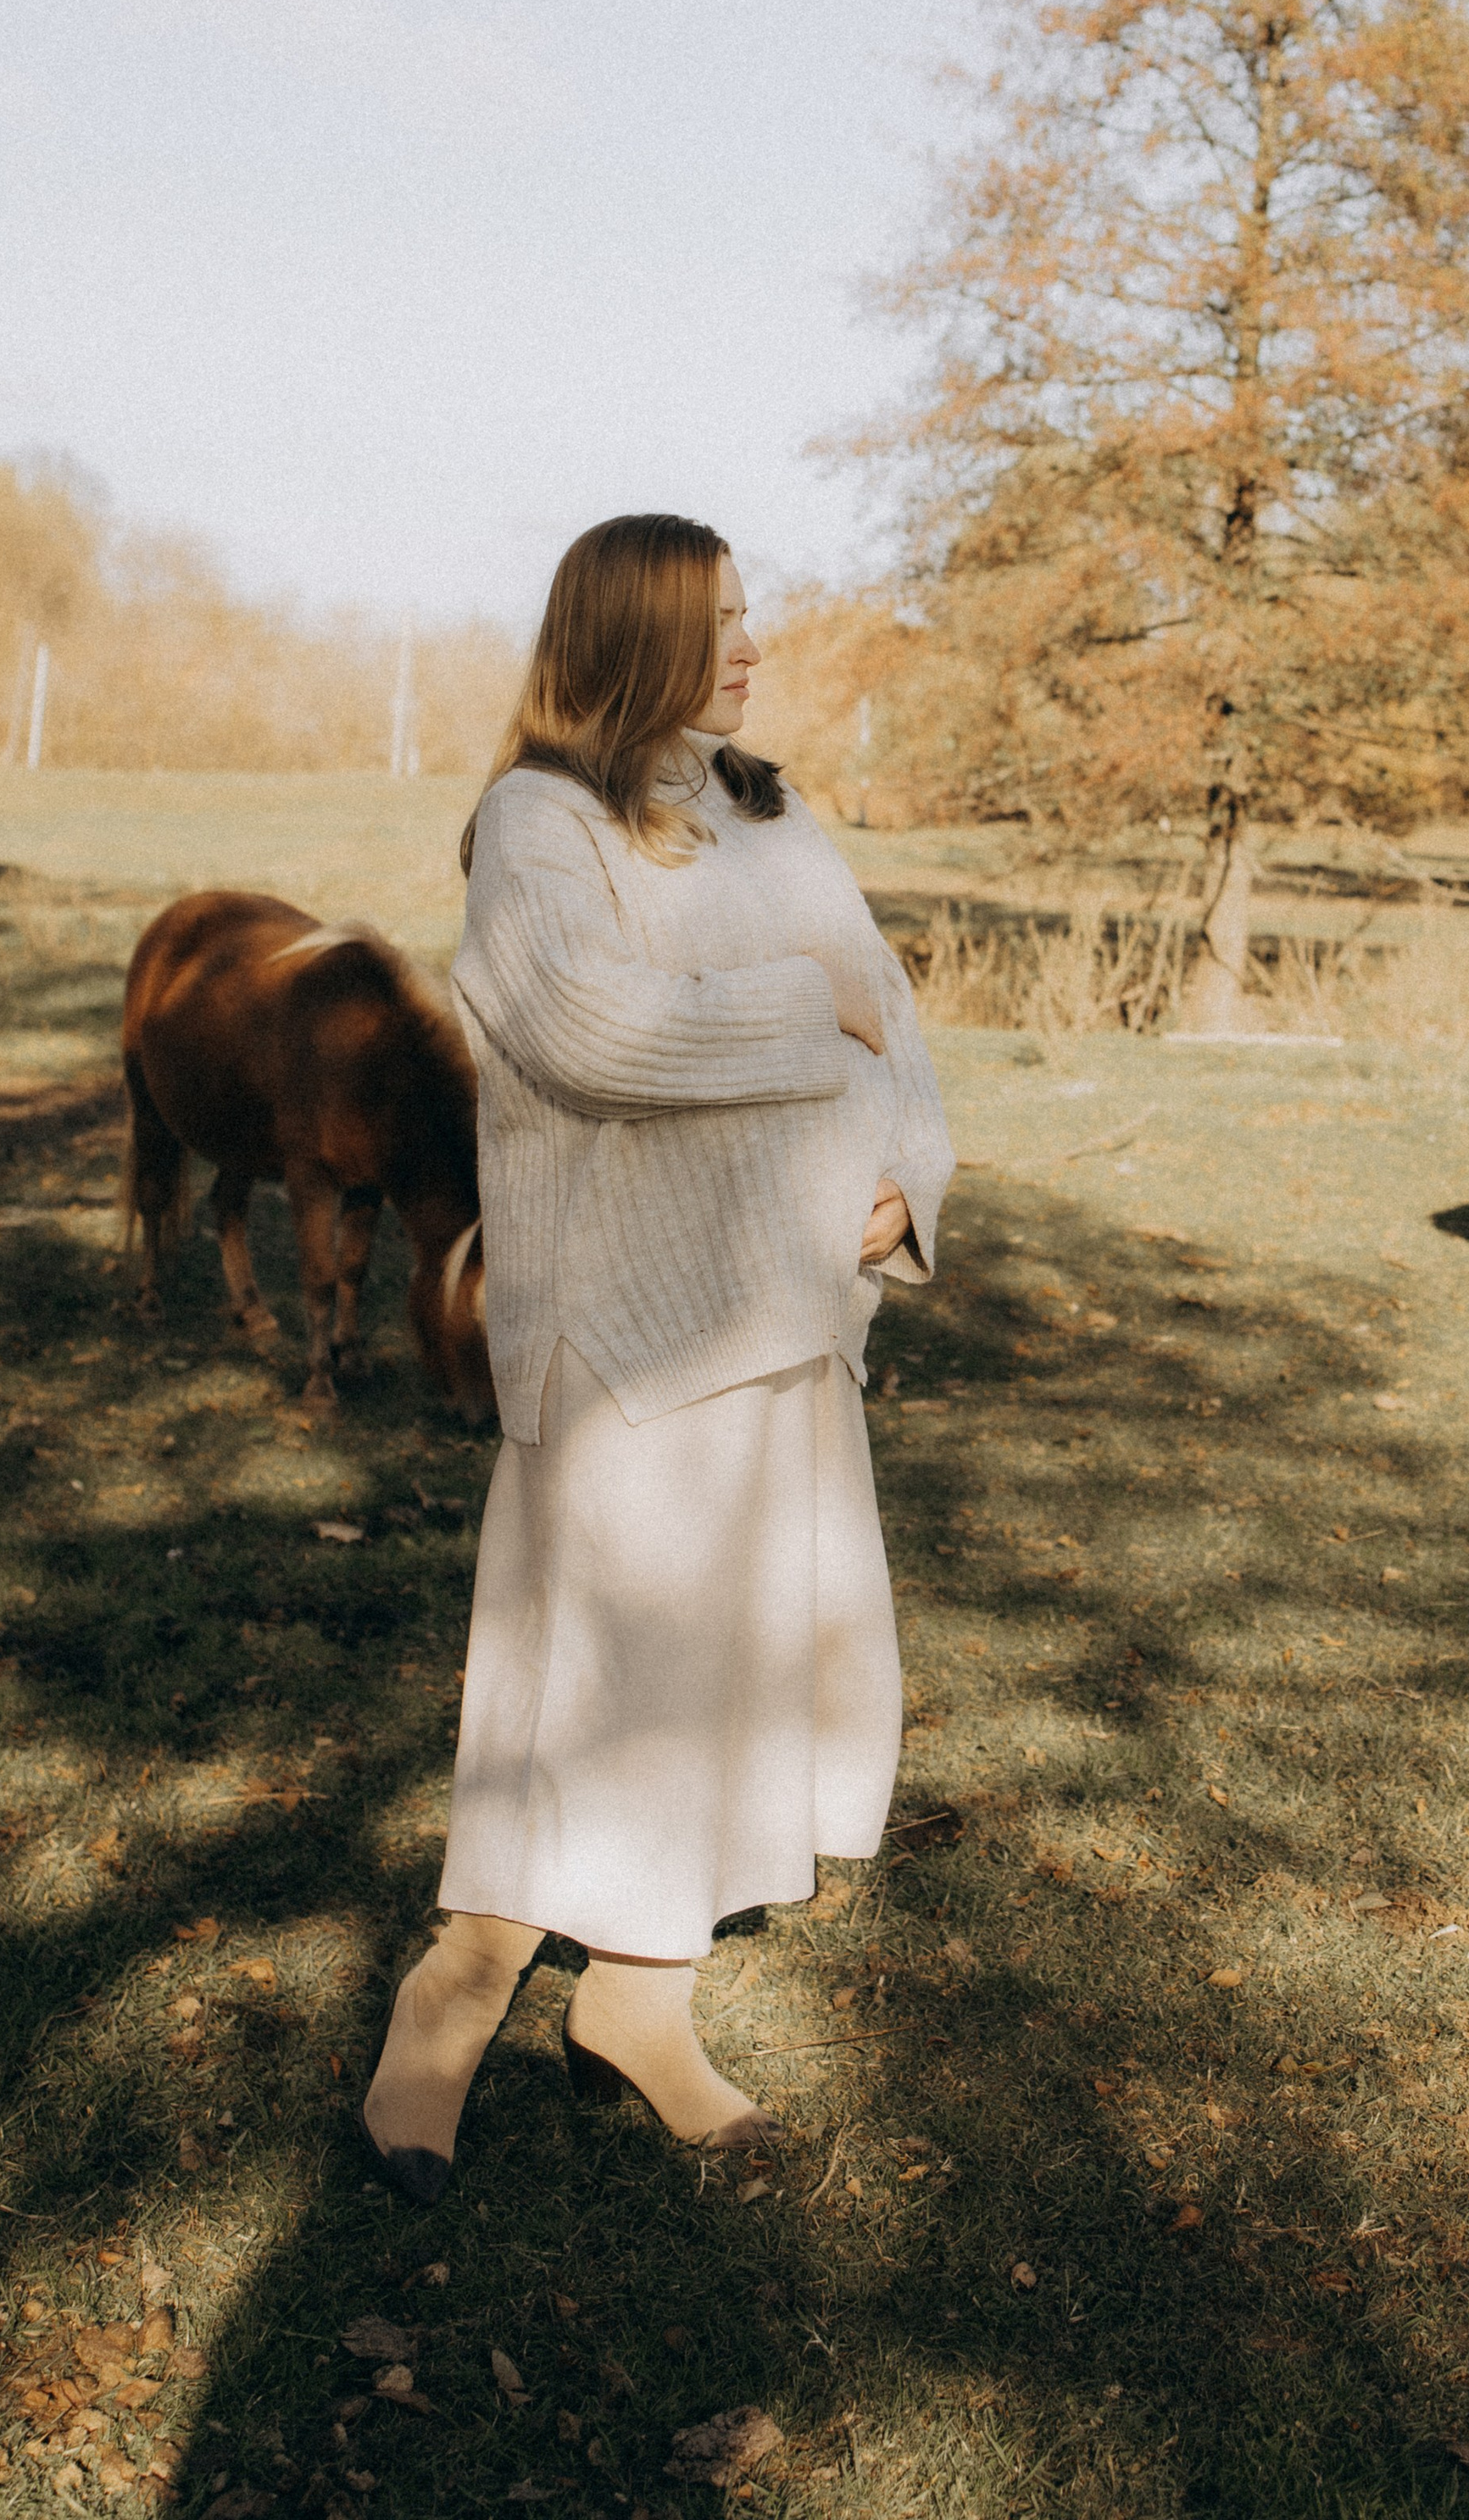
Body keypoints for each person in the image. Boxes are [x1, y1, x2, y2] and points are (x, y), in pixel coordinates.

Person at [359, 513, 952, 2198]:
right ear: (627, 637)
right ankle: (451, 1999)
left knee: (743, 1669)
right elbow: (588, 1029)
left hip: (789, 1325)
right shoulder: (539, 823)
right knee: (590, 1677)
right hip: (635, 1334)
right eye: (717, 619)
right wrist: (801, 1008)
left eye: (753, 615)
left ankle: (642, 2001)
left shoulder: (772, 813)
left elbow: (895, 1031)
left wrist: (902, 1184)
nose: (752, 644)